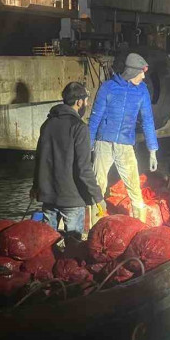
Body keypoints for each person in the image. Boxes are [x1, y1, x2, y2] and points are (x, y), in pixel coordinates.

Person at [88, 52, 159, 223]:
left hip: (125, 144)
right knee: (98, 184)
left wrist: (153, 151)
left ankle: (140, 226)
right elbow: (95, 116)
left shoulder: (142, 91)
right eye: (141, 72)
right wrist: (89, 144)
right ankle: (93, 225)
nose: (143, 76)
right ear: (132, 72)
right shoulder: (108, 87)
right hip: (103, 142)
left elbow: (148, 120)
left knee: (134, 186)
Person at [31, 82, 106, 239]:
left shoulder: (47, 125)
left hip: (48, 196)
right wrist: (98, 197)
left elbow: (39, 159)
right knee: (73, 245)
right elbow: (83, 168)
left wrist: (35, 186)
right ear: (79, 102)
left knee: (47, 243)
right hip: (72, 198)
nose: (86, 104)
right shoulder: (79, 127)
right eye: (85, 101)